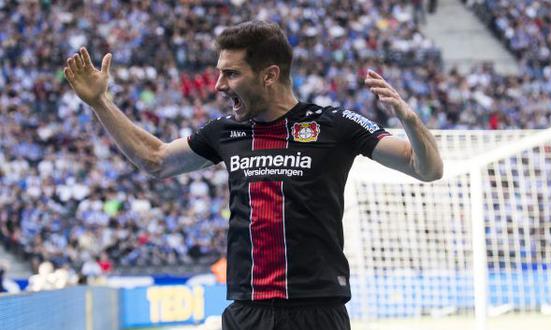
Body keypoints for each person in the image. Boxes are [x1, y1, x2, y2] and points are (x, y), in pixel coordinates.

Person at [64, 20, 443, 330]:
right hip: (248, 311)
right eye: (219, 73)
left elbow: (425, 168)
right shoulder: (224, 132)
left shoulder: (334, 124)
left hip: (318, 311)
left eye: (231, 73)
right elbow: (156, 159)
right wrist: (101, 102)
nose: (218, 85)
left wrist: (411, 122)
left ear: (269, 75)